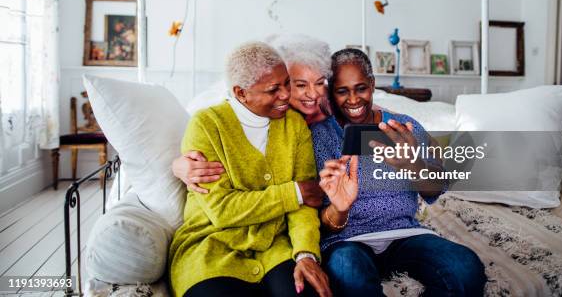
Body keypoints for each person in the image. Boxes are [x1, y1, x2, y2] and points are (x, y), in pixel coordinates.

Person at [313, 48, 486, 297]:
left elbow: (435, 189)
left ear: (372, 85)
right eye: (342, 91)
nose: (353, 100)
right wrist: (340, 208)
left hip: (405, 235)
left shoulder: (404, 127)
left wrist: (412, 165)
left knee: (466, 268)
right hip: (347, 242)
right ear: (331, 92)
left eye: (360, 88)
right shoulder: (319, 135)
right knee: (348, 274)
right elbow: (315, 218)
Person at [169, 42, 331, 297]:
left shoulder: (295, 124)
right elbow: (222, 210)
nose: (286, 95)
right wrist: (294, 192)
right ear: (241, 93)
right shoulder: (206, 125)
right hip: (212, 246)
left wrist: (305, 253)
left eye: (287, 84)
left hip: (276, 246)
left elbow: (306, 205)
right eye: (273, 90)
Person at [172, 34, 332, 193]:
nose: (313, 94)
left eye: (319, 83)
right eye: (300, 85)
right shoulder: (228, 109)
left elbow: (357, 143)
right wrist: (177, 166)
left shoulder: (336, 107)